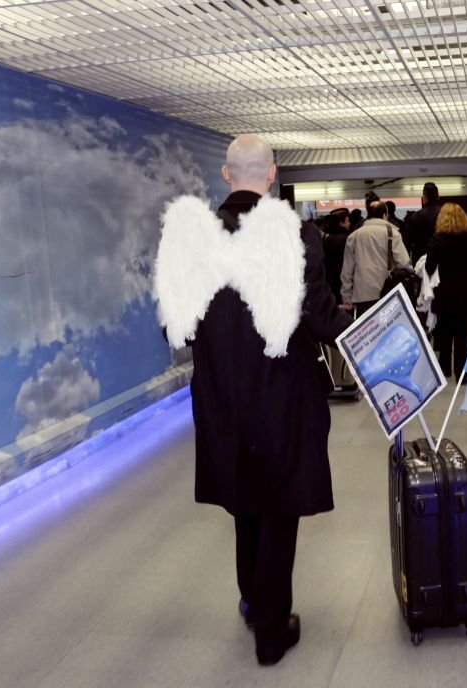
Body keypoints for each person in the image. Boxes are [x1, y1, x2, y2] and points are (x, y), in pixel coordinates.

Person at [156, 134, 351, 666]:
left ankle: (251, 598)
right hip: (282, 395)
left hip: (222, 397)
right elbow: (320, 316)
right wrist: (367, 324)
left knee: (244, 498)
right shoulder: (295, 235)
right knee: (279, 504)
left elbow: (177, 327)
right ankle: (271, 628)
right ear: (271, 175)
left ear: (225, 175)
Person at [424, 203, 467, 381]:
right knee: (462, 334)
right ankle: (462, 373)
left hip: (444, 291)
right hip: (466, 289)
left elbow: (430, 267)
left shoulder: (437, 238)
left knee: (444, 331)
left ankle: (444, 368)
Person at [340, 200, 410, 315]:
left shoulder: (354, 236)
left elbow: (347, 272)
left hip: (362, 296)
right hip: (388, 293)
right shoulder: (393, 234)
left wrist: (347, 297)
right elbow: (404, 264)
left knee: (368, 331)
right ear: (384, 215)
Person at [402, 181, 441, 262]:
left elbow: (407, 243)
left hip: (420, 260)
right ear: (438, 197)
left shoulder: (415, 217)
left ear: (424, 198)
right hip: (442, 261)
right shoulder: (447, 215)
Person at [321, 207, 351, 304]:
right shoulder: (348, 240)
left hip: (330, 284)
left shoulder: (326, 239)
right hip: (344, 285)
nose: (349, 223)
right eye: (347, 220)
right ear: (341, 223)